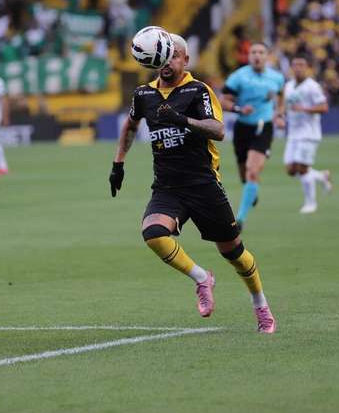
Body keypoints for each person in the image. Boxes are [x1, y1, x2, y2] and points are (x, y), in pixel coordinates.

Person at [109, 33, 276, 333]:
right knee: (153, 233)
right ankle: (201, 278)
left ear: (185, 60)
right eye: (166, 54)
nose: (169, 60)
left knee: (234, 254)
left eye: (175, 55)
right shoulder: (143, 95)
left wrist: (181, 119)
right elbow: (131, 124)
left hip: (204, 186)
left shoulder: (198, 91)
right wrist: (118, 163)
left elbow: (218, 130)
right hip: (167, 187)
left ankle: (260, 304)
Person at [220, 42, 285, 230]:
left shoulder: (277, 78)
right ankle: (251, 190)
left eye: (261, 52)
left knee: (252, 171)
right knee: (244, 174)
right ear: (249, 56)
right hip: (243, 128)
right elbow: (224, 101)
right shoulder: (238, 77)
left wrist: (279, 114)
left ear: (267, 56)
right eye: (253, 52)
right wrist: (239, 109)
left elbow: (281, 96)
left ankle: (240, 219)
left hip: (264, 127)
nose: (257, 55)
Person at [280, 56, 331, 214]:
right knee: (290, 169)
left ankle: (311, 203)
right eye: (295, 65)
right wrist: (280, 116)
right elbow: (285, 105)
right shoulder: (288, 86)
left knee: (302, 168)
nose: (298, 68)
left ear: (307, 67)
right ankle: (321, 176)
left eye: (301, 65)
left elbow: (324, 107)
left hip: (309, 133)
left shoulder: (313, 86)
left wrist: (305, 109)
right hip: (293, 133)